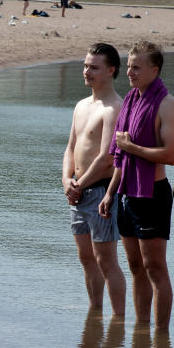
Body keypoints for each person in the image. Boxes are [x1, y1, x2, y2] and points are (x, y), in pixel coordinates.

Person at [100, 41, 174, 329]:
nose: (130, 72)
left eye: (136, 67)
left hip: (152, 195)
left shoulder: (167, 105)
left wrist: (133, 147)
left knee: (155, 268)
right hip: (126, 194)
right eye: (129, 66)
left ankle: (160, 338)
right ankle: (141, 330)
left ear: (154, 69)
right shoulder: (131, 101)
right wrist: (110, 193)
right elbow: (120, 156)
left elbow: (171, 155)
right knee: (136, 267)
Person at [63, 43, 127, 316]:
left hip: (101, 193)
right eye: (86, 65)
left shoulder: (115, 108)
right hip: (78, 193)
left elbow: (106, 158)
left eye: (94, 67)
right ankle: (95, 312)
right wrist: (67, 180)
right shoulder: (81, 105)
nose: (87, 71)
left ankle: (119, 319)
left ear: (111, 71)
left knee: (106, 260)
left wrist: (80, 184)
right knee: (86, 258)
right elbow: (70, 148)